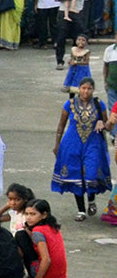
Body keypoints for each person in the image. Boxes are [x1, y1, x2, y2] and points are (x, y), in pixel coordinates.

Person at [51, 78, 112, 220]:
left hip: (93, 144)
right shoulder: (69, 104)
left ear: (93, 89)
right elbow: (61, 125)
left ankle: (91, 200)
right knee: (75, 175)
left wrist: (102, 122)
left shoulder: (99, 104)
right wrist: (57, 144)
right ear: (79, 88)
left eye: (89, 88)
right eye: (83, 88)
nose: (86, 91)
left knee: (90, 173)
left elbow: (107, 125)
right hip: (72, 143)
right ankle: (81, 210)